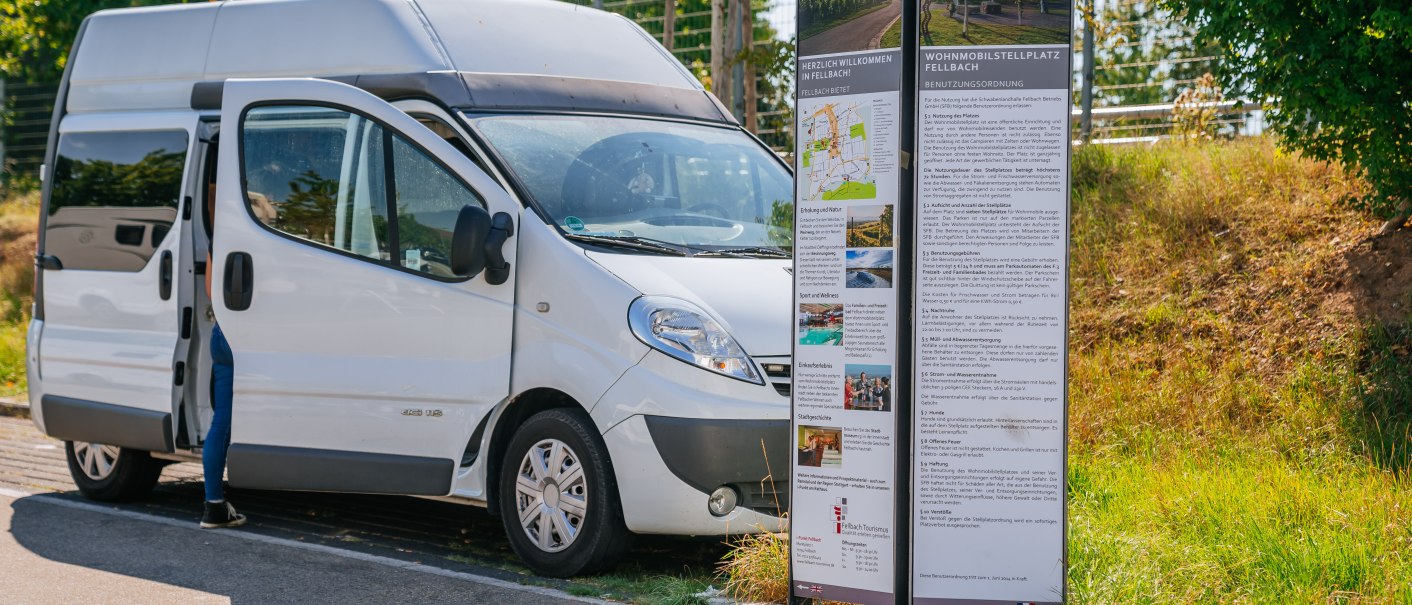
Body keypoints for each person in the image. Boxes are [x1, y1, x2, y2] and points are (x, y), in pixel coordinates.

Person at [201, 183, 246, 529]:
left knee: (222, 422)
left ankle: (214, 503)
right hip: (246, 336)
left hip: (221, 332)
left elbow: (209, 291)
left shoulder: (219, 240)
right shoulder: (257, 240)